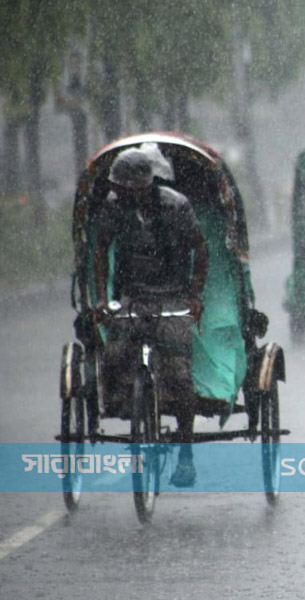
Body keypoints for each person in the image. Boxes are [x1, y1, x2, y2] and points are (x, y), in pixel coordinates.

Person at [94, 146, 209, 487]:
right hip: (132, 298)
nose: (117, 192)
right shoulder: (114, 209)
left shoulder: (175, 206)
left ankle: (186, 452)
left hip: (171, 296)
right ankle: (133, 407)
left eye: (123, 187)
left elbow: (200, 248)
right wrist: (103, 298)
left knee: (180, 374)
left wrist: (194, 295)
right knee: (113, 357)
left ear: (142, 186)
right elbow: (101, 249)